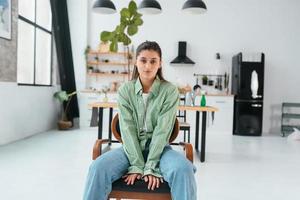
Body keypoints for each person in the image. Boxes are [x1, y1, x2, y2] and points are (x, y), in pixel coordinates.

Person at [83, 41, 197, 200]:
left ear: (160, 64)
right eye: (143, 60)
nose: (147, 66)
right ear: (136, 62)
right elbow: (127, 130)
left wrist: (150, 166)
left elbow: (162, 131)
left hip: (160, 151)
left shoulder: (169, 91)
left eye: (153, 61)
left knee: (184, 169)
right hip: (129, 149)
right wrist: (136, 165)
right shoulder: (125, 90)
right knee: (97, 168)